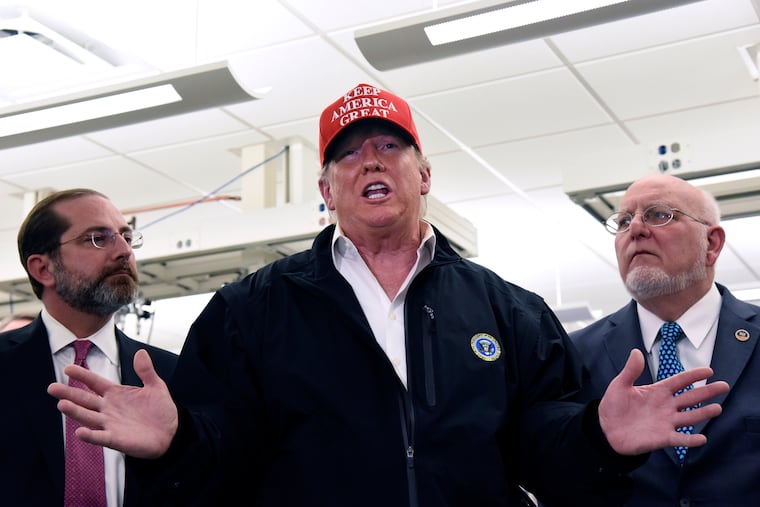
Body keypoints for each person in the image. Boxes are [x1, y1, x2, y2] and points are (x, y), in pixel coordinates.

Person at [48, 85, 728, 507]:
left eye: (388, 145)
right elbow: (220, 461)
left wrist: (600, 438)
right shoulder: (249, 313)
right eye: (348, 154)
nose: (370, 160)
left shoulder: (509, 310)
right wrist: (176, 443)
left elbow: (547, 454)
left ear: (423, 172)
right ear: (326, 191)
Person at [566, 173, 759, 507]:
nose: (636, 229)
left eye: (659, 215)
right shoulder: (575, 353)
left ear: (711, 244)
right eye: (624, 220)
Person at [0, 188, 178, 507]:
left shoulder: (171, 376)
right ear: (43, 268)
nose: (123, 250)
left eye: (126, 236)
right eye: (98, 238)